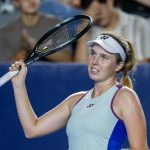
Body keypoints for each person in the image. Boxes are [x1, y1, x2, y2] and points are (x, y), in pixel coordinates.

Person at [9, 31, 148, 149]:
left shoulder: (124, 96)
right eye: (93, 53)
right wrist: (19, 85)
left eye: (104, 57)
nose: (95, 61)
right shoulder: (76, 100)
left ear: (119, 65)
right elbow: (32, 129)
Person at [74, 0, 150, 63]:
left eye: (101, 4)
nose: (98, 14)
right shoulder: (88, 30)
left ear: (110, 1)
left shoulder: (138, 23)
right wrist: (83, 35)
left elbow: (145, 64)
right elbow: (81, 70)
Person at [0, 0, 72, 62]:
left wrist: (37, 47)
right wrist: (24, 50)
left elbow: (68, 59)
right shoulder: (5, 32)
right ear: (16, 2)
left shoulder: (56, 23)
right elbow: (4, 68)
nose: (31, 1)